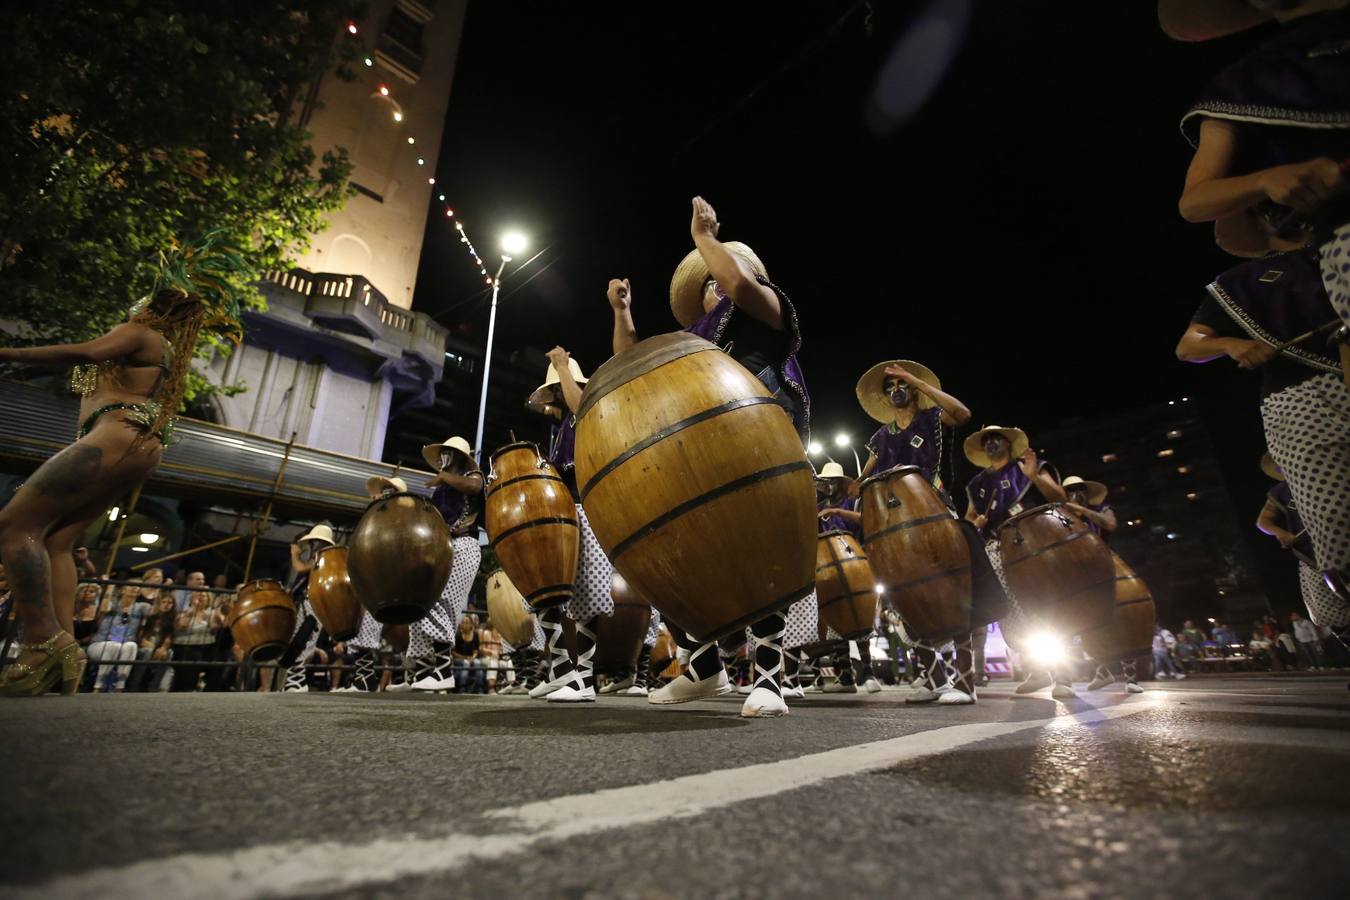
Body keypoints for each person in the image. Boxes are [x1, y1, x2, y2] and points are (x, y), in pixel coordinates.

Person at [0, 234, 244, 697]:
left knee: (14, 527)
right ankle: (66, 648)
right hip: (137, 441)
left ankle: (39, 643)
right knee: (56, 541)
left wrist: (7, 353)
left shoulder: (140, 333)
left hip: (116, 434)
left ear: (150, 308)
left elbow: (86, 353)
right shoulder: (160, 348)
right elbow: (88, 373)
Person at [609, 197, 810, 718]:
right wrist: (623, 313)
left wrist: (704, 240)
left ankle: (767, 675)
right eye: (709, 281)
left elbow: (741, 286)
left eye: (722, 274)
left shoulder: (763, 308)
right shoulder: (690, 339)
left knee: (758, 550)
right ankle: (703, 666)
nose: (719, 285)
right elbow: (632, 366)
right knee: (678, 546)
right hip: (693, 454)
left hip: (759, 444)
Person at [1176, 250, 1350, 622]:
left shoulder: (1338, 247)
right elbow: (1189, 346)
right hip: (1304, 399)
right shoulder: (1247, 280)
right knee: (1337, 529)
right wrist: (1231, 344)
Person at [522, 348, 614, 704]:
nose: (558, 395)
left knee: (588, 595)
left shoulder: (587, 407)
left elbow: (580, 406)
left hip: (588, 505)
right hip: (563, 508)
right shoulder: (563, 427)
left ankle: (585, 679)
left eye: (561, 388)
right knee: (544, 588)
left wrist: (560, 365)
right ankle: (563, 669)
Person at [963, 425, 1072, 698]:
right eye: (986, 440)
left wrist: (1034, 476)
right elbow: (968, 520)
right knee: (1007, 608)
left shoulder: (1029, 466)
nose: (991, 443)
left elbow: (1060, 499)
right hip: (997, 548)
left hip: (1035, 540)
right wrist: (975, 523)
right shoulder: (977, 484)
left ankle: (1063, 674)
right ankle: (1036, 670)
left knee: (1046, 603)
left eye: (996, 438)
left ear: (1008, 443)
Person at [410, 436, 484, 692]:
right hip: (442, 549)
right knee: (420, 603)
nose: (443, 457)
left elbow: (475, 488)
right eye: (442, 453)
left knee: (441, 602)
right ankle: (423, 672)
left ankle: (443, 673)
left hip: (464, 546)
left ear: (457, 457)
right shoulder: (441, 489)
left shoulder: (471, 474)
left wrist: (445, 478)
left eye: (447, 453)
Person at [1256, 451, 1350, 638]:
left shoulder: (1330, 474)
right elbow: (1263, 522)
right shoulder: (1281, 491)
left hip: (1339, 542)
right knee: (1322, 611)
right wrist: (1281, 532)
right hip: (1308, 553)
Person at [279, 524, 337, 693]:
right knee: (302, 640)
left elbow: (300, 568)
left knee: (303, 639)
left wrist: (294, 555)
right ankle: (294, 681)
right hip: (311, 601)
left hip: (313, 602)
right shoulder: (323, 555)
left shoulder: (323, 556)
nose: (312, 544)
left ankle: (296, 682)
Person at [88, 584, 149, 692]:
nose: (135, 588)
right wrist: (110, 588)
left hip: (123, 646)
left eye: (137, 586)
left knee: (131, 645)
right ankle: (98, 686)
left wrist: (158, 589)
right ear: (123, 590)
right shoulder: (113, 604)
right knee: (114, 645)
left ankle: (120, 687)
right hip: (100, 645)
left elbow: (156, 611)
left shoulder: (140, 608)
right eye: (131, 585)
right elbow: (103, 608)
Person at [172, 590, 221, 692]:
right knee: (192, 655)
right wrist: (193, 611)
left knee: (215, 659)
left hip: (206, 646)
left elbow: (213, 628)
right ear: (192, 598)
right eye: (198, 595)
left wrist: (213, 611)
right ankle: (188, 687)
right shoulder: (184, 611)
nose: (201, 597)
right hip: (184, 646)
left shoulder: (211, 612)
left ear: (208, 599)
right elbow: (182, 626)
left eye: (204, 596)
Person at [131, 592, 177, 692]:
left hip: (158, 647)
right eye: (164, 602)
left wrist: (164, 648)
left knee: (169, 653)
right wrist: (148, 644)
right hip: (144, 646)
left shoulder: (172, 619)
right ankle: (134, 685)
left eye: (170, 603)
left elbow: (169, 637)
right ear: (158, 603)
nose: (167, 605)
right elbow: (141, 636)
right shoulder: (149, 616)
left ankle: (154, 687)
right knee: (147, 652)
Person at [453, 616, 483, 693]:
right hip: (459, 658)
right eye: (463, 622)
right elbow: (453, 652)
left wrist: (473, 657)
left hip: (470, 657)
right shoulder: (458, 635)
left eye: (466, 623)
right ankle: (462, 687)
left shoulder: (475, 635)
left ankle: (480, 687)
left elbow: (476, 650)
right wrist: (465, 657)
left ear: (471, 625)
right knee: (466, 663)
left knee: (477, 662)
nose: (464, 624)